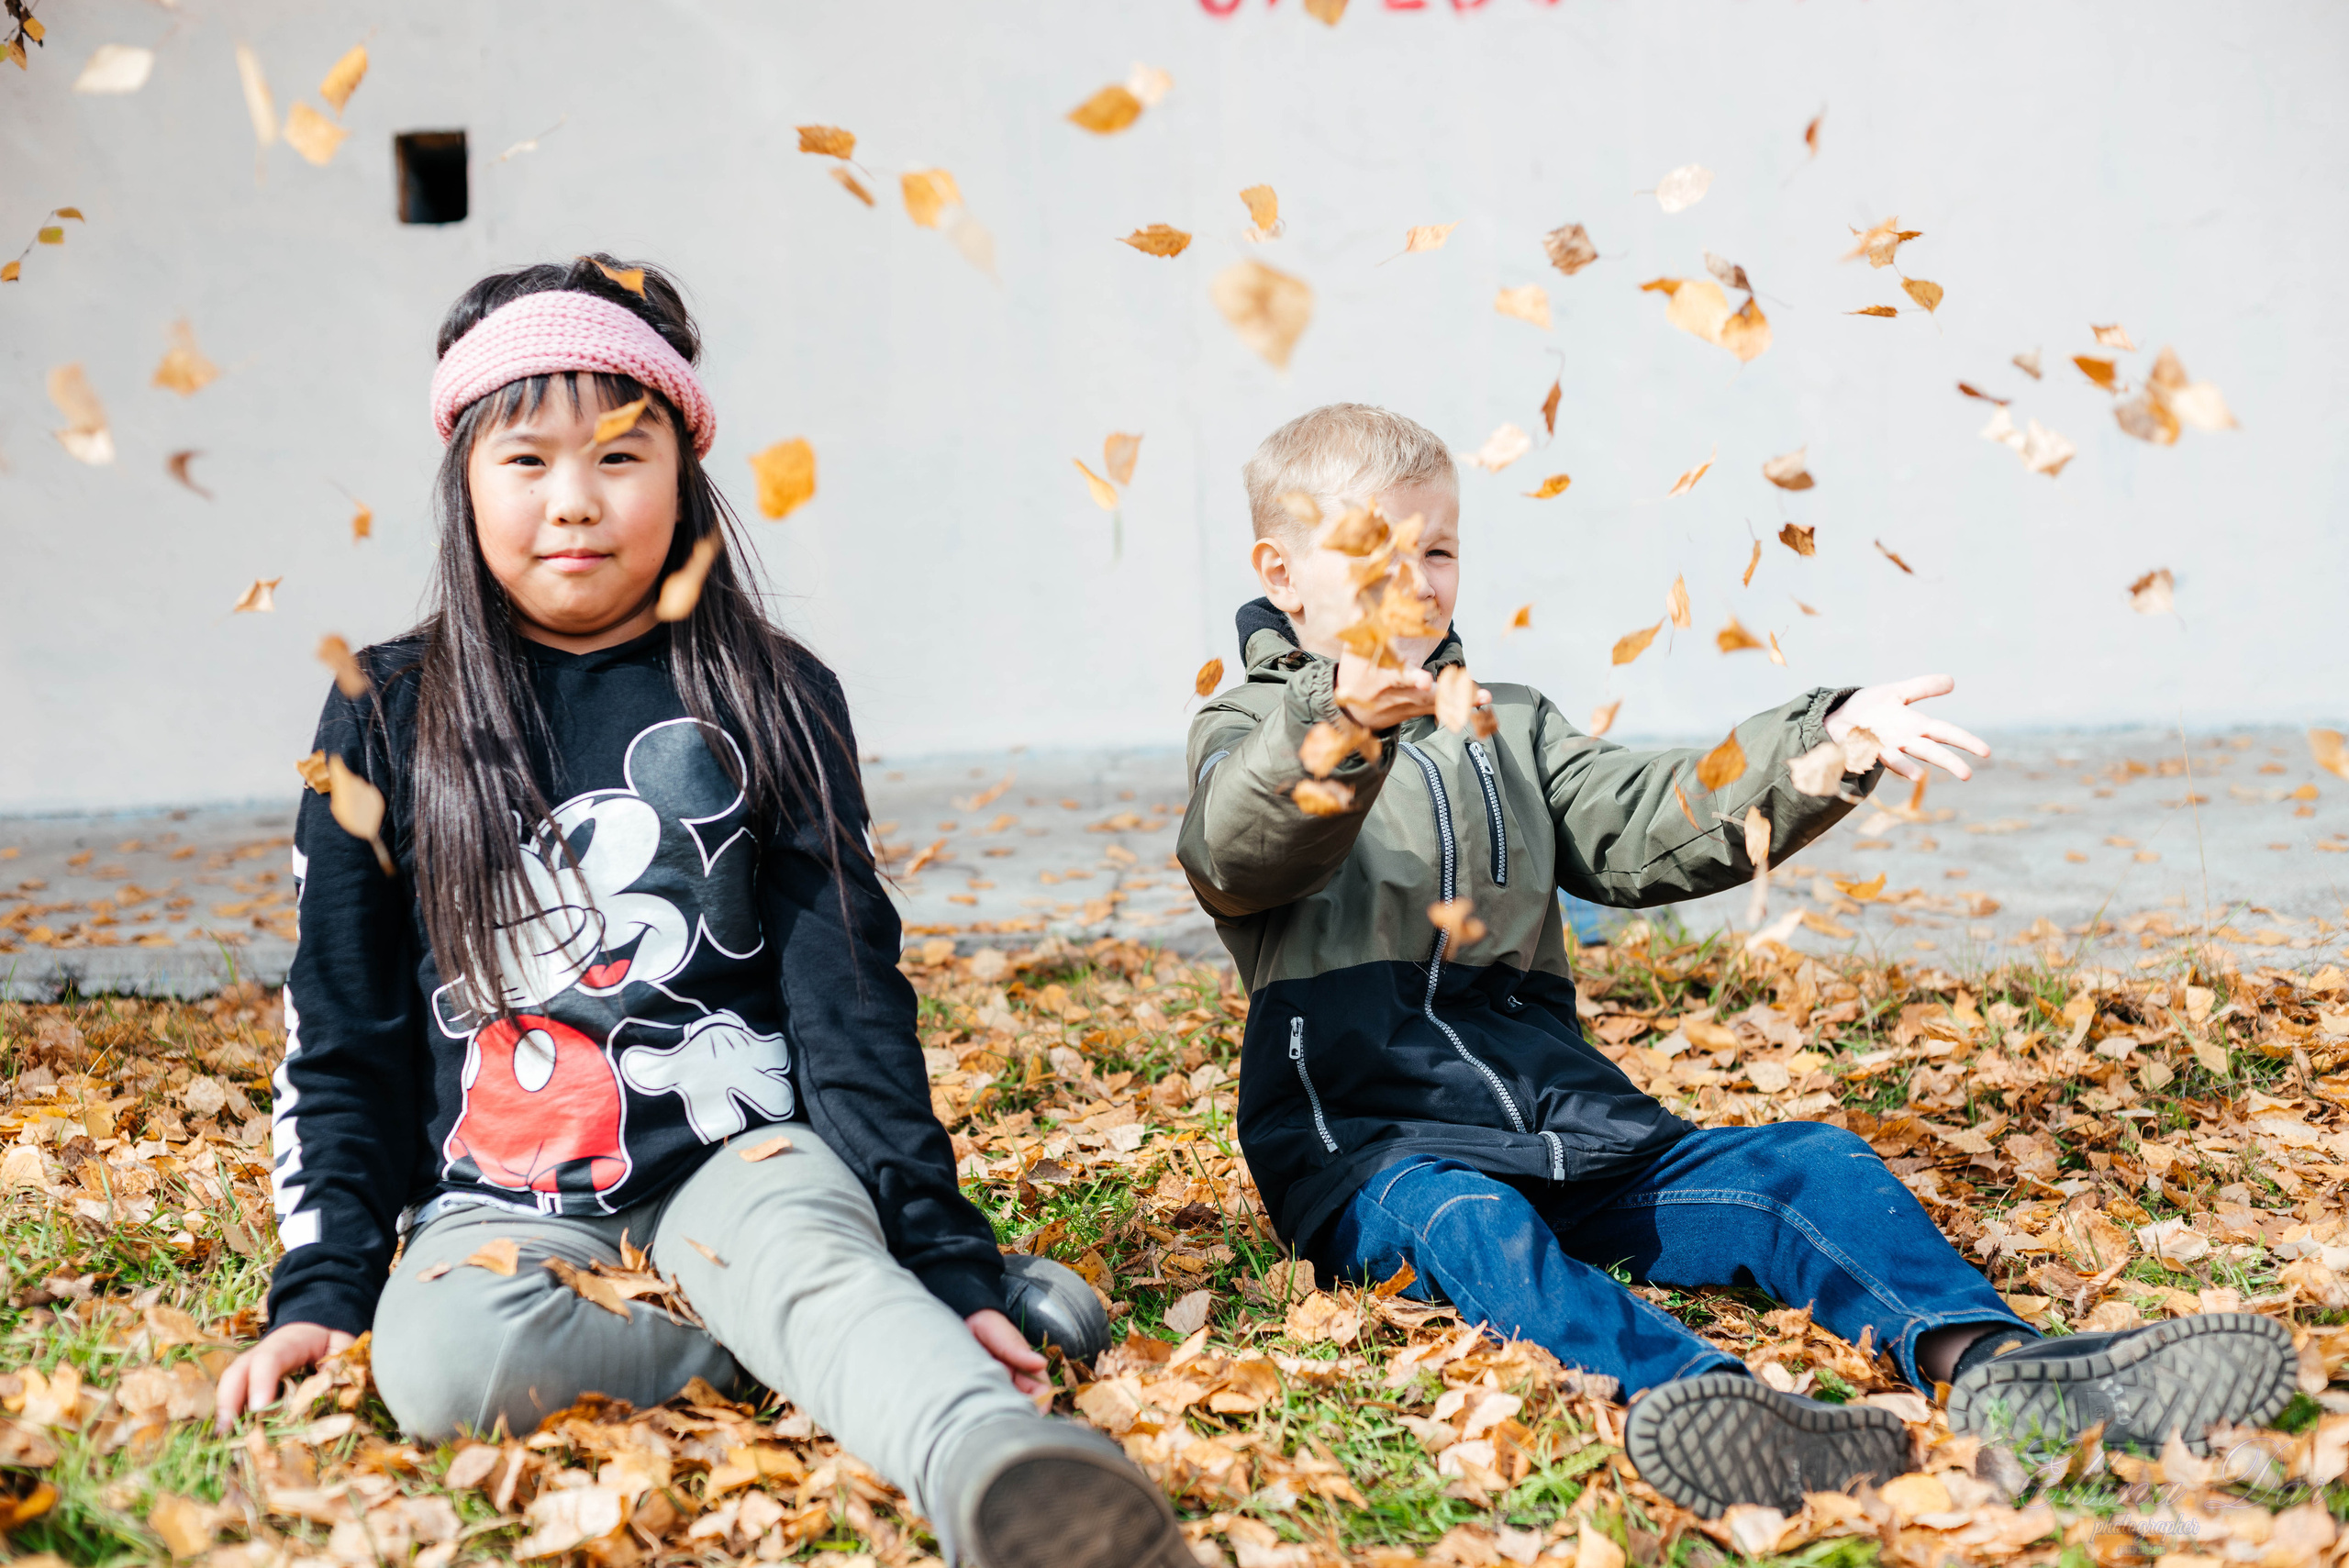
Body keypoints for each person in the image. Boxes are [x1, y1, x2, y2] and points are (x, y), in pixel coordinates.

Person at [213, 258, 1192, 1568]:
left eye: (623, 452)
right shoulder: (387, 713)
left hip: (744, 1153)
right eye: (526, 460)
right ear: (463, 481)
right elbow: (342, 1029)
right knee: (439, 1366)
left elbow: (849, 998)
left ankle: (1000, 1467)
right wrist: (326, 1290)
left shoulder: (774, 692)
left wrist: (943, 1254)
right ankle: (844, 1326)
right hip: (507, 1194)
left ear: (684, 469)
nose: (575, 500)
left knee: (802, 1252)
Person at [1177, 404, 2294, 1517]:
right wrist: (1341, 727)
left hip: (1572, 1131)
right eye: (1378, 550)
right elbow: (1236, 851)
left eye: (1439, 548)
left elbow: (1642, 816)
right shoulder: (1252, 725)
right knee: (1473, 1226)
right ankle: (1709, 1407)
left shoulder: (1508, 724)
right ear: (1284, 573)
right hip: (1374, 1148)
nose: (1419, 582)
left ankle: (1992, 1364)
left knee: (1801, 1164)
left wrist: (1818, 746)